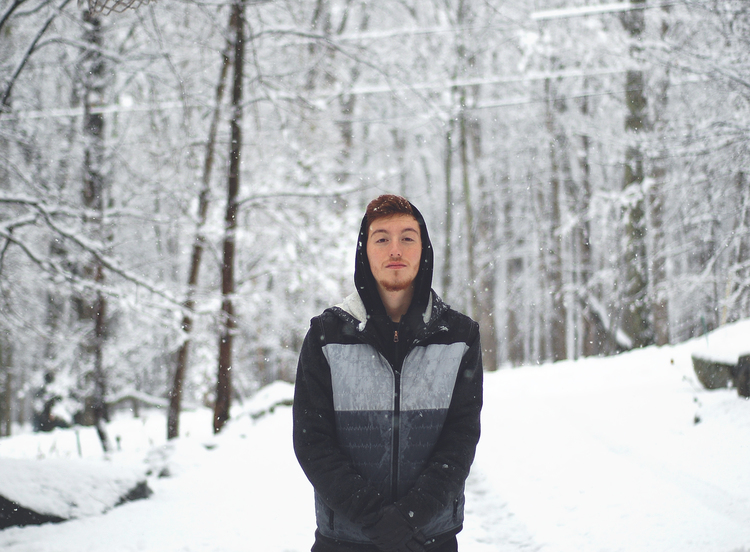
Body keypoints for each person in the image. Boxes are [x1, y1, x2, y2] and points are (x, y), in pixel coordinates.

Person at [293, 194, 483, 552]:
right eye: (382, 238)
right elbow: (312, 442)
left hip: (431, 539)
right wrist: (374, 518)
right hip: (344, 540)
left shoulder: (460, 336)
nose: (395, 249)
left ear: (423, 249)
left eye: (407, 237)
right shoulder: (326, 334)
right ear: (364, 250)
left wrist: (411, 517)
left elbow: (460, 439)